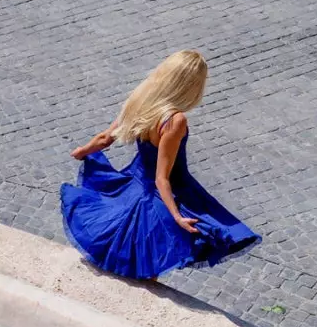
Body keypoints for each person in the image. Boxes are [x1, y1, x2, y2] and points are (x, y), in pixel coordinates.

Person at [60, 49, 258, 279]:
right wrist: (176, 216)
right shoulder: (174, 121)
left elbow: (106, 138)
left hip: (133, 183)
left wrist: (83, 150)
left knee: (128, 249)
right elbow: (162, 178)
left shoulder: (141, 99)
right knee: (153, 260)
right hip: (161, 195)